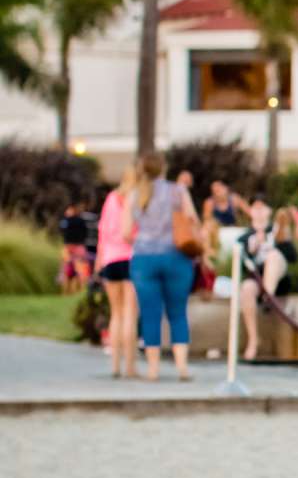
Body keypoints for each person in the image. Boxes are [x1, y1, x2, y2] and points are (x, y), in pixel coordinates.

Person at [127, 153, 200, 383]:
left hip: (144, 258)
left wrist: (145, 240)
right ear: (163, 168)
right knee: (178, 312)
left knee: (150, 315)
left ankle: (153, 369)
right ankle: (182, 367)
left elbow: (125, 232)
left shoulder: (135, 195)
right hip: (175, 256)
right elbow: (192, 220)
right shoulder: (178, 191)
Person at [238, 199, 298, 363]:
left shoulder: (277, 230)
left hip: (278, 280)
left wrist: (281, 240)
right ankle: (253, 339)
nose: (258, 211)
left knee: (272, 257)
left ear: (269, 210)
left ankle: (269, 296)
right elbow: (241, 268)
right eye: (255, 207)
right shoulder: (244, 238)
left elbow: (293, 257)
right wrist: (253, 250)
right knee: (246, 288)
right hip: (256, 279)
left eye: (262, 207)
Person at [95, 166, 139, 378]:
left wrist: (99, 261)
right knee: (130, 313)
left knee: (116, 313)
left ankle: (115, 365)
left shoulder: (112, 198)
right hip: (131, 258)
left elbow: (102, 230)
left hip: (110, 259)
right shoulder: (137, 200)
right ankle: (130, 367)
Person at [57, 200, 94, 290]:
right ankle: (76, 290)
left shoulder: (68, 221)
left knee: (75, 270)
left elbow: (62, 231)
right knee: (70, 270)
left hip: (75, 247)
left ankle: (77, 290)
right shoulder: (79, 221)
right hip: (73, 246)